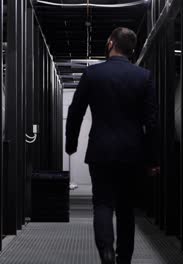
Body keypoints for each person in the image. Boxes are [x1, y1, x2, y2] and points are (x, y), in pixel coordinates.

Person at [65, 27, 159, 264]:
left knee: (103, 204)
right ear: (132, 50)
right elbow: (151, 123)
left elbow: (75, 112)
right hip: (132, 153)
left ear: (110, 43)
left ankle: (106, 253)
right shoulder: (144, 76)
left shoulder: (93, 74)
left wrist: (71, 144)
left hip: (101, 151)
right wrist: (152, 159)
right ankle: (123, 260)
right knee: (126, 209)